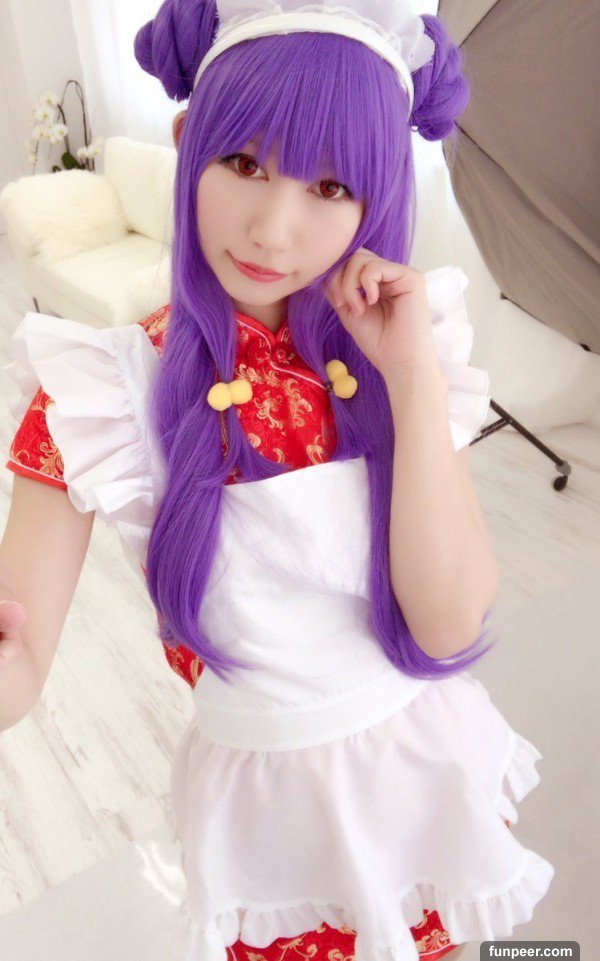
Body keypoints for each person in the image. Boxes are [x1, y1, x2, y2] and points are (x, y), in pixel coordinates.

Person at [0, 1, 555, 958]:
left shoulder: (406, 354)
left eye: (330, 185)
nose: (273, 228)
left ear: (378, 197)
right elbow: (19, 658)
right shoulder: (102, 392)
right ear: (188, 142)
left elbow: (448, 625)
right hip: (269, 824)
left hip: (426, 774)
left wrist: (414, 379)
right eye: (245, 163)